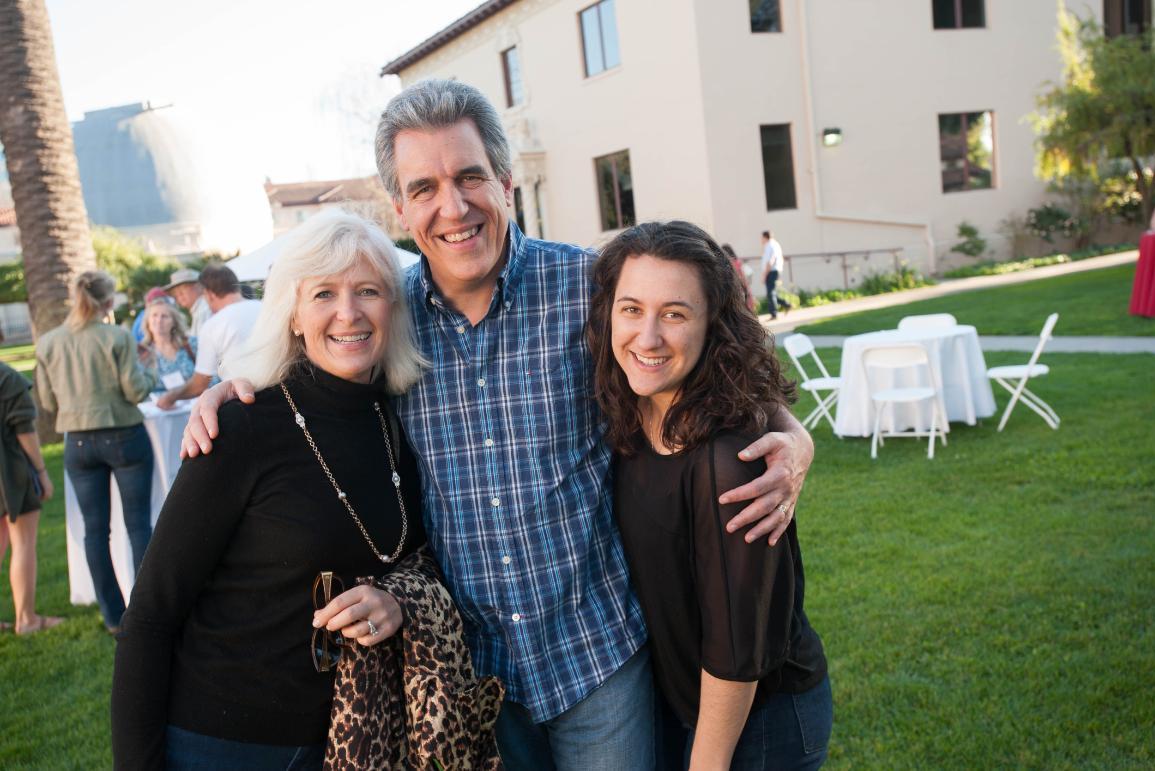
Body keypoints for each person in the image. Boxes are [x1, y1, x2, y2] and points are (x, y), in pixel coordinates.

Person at [183, 78, 816, 770]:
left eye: (470, 177)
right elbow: (313, 373)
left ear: (507, 183)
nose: (453, 207)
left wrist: (794, 431)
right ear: (400, 207)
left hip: (599, 659)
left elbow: (709, 352)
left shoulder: (588, 288)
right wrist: (235, 388)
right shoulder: (388, 323)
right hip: (475, 677)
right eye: (424, 188)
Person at [111, 211, 430, 768]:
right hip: (224, 743)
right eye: (324, 293)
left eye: (368, 291)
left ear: (392, 308)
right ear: (293, 315)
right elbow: (152, 613)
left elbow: (414, 557)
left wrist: (398, 601)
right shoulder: (239, 427)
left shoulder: (401, 423)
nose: (348, 312)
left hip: (351, 740)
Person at [589, 221, 831, 769]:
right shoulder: (633, 409)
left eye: (674, 314)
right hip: (684, 708)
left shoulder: (731, 461)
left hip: (757, 724)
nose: (646, 337)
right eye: (631, 309)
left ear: (712, 326)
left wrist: (708, 763)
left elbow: (735, 649)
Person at [35, 271, 157, 633]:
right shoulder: (116, 336)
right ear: (107, 302)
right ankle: (146, 611)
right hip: (123, 435)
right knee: (138, 526)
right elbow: (135, 390)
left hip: (79, 442)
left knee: (95, 531)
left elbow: (45, 399)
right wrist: (149, 372)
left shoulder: (49, 342)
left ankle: (113, 616)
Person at [0, 355, 60, 635]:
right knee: (23, 542)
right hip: (10, 472)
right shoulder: (8, 379)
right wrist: (42, 472)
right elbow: (25, 430)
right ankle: (27, 620)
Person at [156, 264, 260, 410]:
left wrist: (171, 396)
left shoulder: (213, 325)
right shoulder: (265, 308)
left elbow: (200, 384)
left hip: (243, 402)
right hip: (283, 395)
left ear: (209, 294)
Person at [140, 302, 197, 393]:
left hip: (195, 403)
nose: (159, 320)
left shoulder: (191, 344)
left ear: (174, 322)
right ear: (148, 322)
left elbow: (211, 377)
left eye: (164, 316)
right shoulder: (142, 352)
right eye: (154, 315)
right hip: (158, 405)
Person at [165, 269, 212, 337]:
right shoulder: (198, 309)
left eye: (183, 289)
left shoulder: (204, 310)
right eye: (175, 292)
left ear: (198, 286)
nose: (179, 295)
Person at [761, 230, 791, 319]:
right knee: (771, 293)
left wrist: (764, 274)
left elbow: (771, 260)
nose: (761, 240)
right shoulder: (772, 244)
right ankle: (786, 304)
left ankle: (774, 314)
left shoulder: (770, 245)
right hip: (773, 270)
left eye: (762, 238)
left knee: (770, 292)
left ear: (765, 237)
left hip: (771, 271)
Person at [721, 243, 755, 312]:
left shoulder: (724, 264)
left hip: (731, 290)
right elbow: (742, 276)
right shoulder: (737, 262)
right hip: (740, 287)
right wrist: (746, 288)